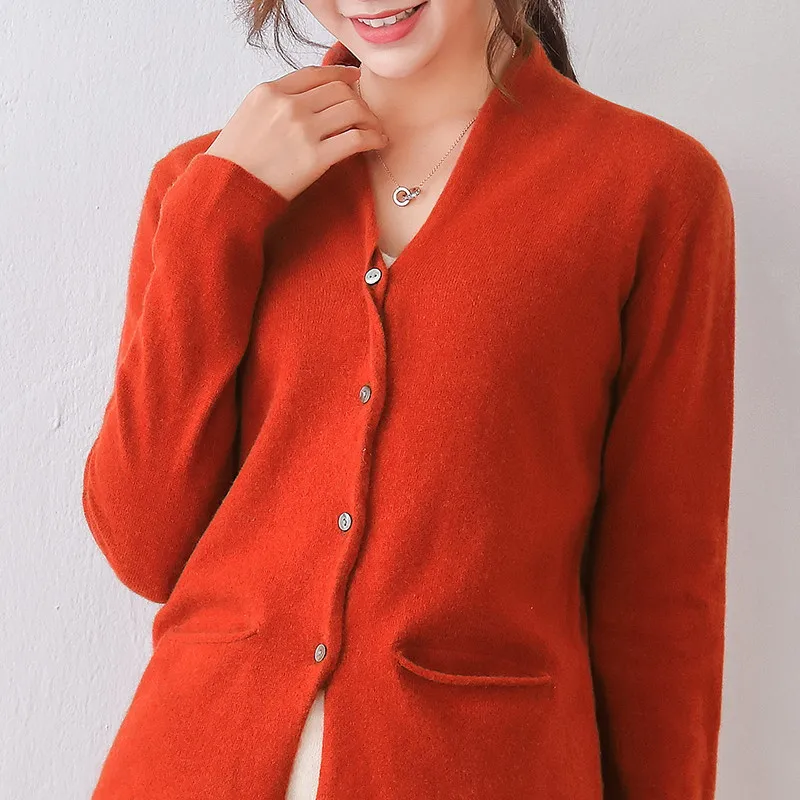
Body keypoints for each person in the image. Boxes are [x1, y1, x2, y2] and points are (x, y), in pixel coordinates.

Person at [82, 1, 736, 798]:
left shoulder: (649, 187)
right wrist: (220, 214)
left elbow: (663, 593)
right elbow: (144, 547)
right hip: (185, 764)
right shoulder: (204, 182)